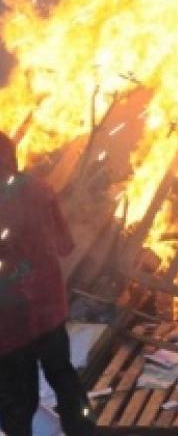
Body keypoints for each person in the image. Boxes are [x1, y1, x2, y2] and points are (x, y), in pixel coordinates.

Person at [0, 131, 96, 436]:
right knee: (63, 377)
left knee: (18, 402)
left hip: (10, 326)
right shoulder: (40, 189)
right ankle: (82, 430)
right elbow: (65, 244)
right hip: (48, 311)